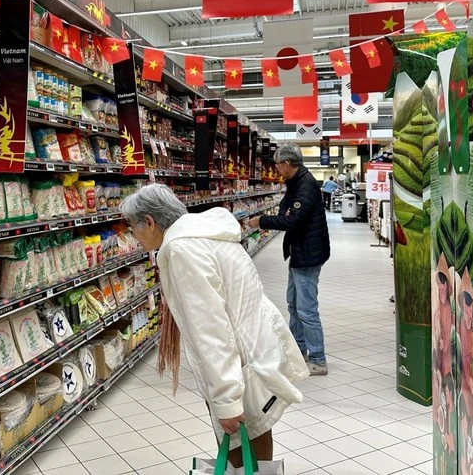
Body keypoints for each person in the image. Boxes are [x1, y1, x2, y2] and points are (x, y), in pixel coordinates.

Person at [120, 184, 308, 467]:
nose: (133, 236)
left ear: (149, 221)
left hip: (239, 359)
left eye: (132, 227)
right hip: (254, 347)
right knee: (257, 430)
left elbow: (212, 330)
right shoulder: (206, 233)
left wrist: (226, 399)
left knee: (238, 436)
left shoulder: (183, 248)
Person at [247, 143, 331, 375]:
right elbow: (286, 209)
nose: (275, 169)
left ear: (287, 164)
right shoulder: (294, 183)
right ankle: (298, 349)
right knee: (294, 304)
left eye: (277, 164)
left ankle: (318, 359)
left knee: (306, 309)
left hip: (308, 254)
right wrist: (282, 215)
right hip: (299, 251)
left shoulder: (305, 185)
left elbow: (291, 220)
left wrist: (262, 220)